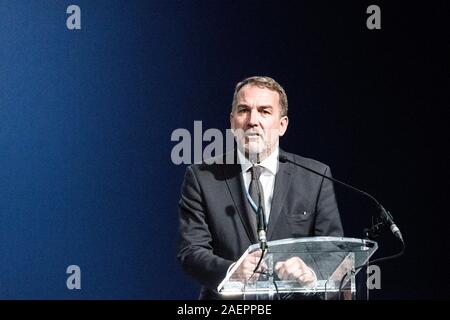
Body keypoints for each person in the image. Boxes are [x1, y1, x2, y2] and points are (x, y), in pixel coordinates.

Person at [177, 76, 343, 299]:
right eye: (243, 110)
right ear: (232, 120)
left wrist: (310, 271)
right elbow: (191, 251)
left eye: (264, 111)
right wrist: (232, 271)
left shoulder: (315, 177)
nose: (252, 120)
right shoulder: (202, 177)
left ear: (282, 125)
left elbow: (333, 251)